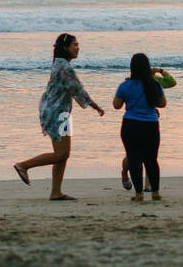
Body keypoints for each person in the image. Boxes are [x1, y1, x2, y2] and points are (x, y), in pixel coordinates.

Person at [14, 33, 104, 201]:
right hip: (57, 114)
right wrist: (95, 106)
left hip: (61, 112)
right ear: (65, 48)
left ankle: (56, 192)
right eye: (74, 45)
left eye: (78, 45)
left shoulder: (60, 63)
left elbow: (73, 90)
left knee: (62, 153)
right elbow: (78, 90)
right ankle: (24, 166)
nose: (78, 48)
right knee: (62, 154)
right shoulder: (65, 67)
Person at [113, 55, 173, 202]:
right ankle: (156, 192)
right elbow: (162, 104)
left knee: (134, 160)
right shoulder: (154, 84)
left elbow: (116, 105)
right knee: (151, 160)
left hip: (130, 125)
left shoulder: (125, 86)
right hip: (151, 125)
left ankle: (139, 193)